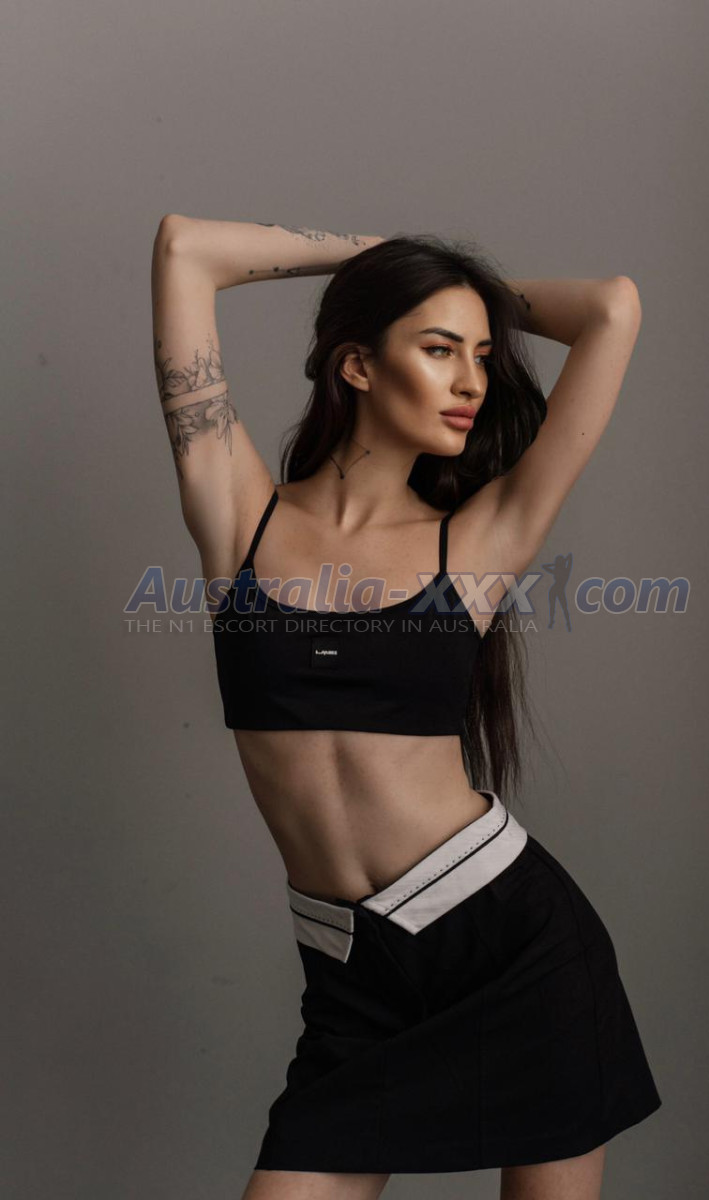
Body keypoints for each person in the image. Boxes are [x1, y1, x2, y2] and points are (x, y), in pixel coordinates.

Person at [150, 216, 662, 1200]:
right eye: (438, 350)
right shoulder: (239, 514)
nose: (472, 381)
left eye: (482, 355)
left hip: (515, 947)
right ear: (356, 366)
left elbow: (612, 308)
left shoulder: (477, 542)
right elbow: (185, 252)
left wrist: (445, 285)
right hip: (352, 978)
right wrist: (381, 262)